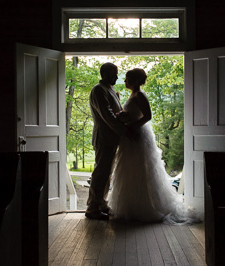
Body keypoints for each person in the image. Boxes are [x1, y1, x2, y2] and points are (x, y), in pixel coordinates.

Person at [108, 68, 201, 224]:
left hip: (138, 136)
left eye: (127, 79)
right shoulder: (133, 95)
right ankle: (131, 207)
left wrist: (132, 127)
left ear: (135, 81)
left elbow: (148, 116)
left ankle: (145, 207)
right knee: (129, 171)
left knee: (141, 171)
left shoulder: (140, 95)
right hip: (130, 137)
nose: (125, 81)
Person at [86, 62, 131, 220]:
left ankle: (101, 203)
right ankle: (92, 207)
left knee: (107, 173)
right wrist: (125, 132)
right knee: (100, 173)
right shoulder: (98, 90)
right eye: (114, 74)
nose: (117, 77)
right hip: (103, 137)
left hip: (111, 138)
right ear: (104, 74)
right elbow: (107, 115)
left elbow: (115, 113)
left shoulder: (109, 89)